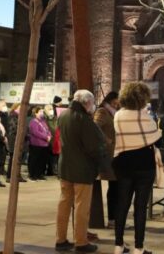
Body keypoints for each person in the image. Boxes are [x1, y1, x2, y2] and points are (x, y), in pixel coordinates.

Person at [55, 89, 106, 253]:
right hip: (82, 170)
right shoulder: (83, 119)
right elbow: (94, 147)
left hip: (65, 167)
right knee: (81, 207)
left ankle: (60, 239)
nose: (93, 107)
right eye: (92, 104)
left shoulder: (63, 115)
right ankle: (81, 241)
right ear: (87, 102)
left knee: (64, 204)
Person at [112, 83, 160, 254]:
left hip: (123, 164)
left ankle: (118, 245)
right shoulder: (145, 117)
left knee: (122, 204)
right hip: (144, 166)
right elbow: (156, 136)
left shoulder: (118, 115)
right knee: (140, 207)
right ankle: (138, 248)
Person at [94, 91, 119, 227]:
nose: (117, 104)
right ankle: (112, 219)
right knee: (114, 186)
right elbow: (95, 127)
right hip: (108, 154)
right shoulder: (103, 111)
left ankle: (113, 218)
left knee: (115, 186)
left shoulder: (112, 112)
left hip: (114, 154)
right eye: (115, 101)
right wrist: (107, 140)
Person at [28, 106, 52, 181]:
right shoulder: (33, 121)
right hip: (36, 144)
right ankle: (33, 174)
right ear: (35, 113)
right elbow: (36, 132)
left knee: (42, 160)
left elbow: (48, 130)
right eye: (40, 112)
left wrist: (50, 136)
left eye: (42, 111)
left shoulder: (43, 121)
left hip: (44, 144)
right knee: (35, 160)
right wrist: (46, 137)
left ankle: (39, 174)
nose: (42, 113)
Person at [6, 102, 27, 182]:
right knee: (13, 159)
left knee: (18, 159)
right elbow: (13, 128)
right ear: (15, 108)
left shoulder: (19, 116)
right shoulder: (13, 116)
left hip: (19, 139)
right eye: (19, 108)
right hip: (14, 140)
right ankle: (10, 176)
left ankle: (17, 175)